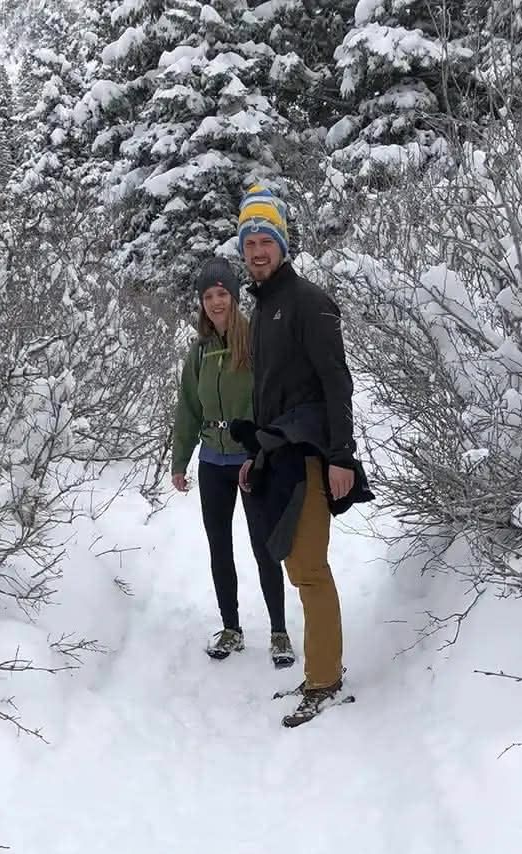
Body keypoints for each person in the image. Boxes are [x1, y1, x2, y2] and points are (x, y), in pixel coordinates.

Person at [231, 183, 371, 728]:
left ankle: (325, 680)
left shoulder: (309, 302)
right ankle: (319, 670)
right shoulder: (264, 309)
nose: (258, 250)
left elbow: (337, 382)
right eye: (249, 242)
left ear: (284, 244)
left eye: (267, 239)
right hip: (280, 455)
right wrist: (255, 454)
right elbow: (272, 396)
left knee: (309, 569)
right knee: (297, 566)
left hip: (312, 454)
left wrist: (341, 455)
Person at [171, 258, 294, 668]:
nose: (216, 302)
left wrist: (265, 448)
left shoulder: (254, 340)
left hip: (250, 461)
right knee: (219, 547)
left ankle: (279, 632)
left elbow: (274, 397)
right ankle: (232, 628)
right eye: (208, 296)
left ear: (235, 297)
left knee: (263, 546)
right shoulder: (200, 351)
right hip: (212, 461)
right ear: (202, 303)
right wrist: (179, 461)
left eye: (222, 293)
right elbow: (188, 408)